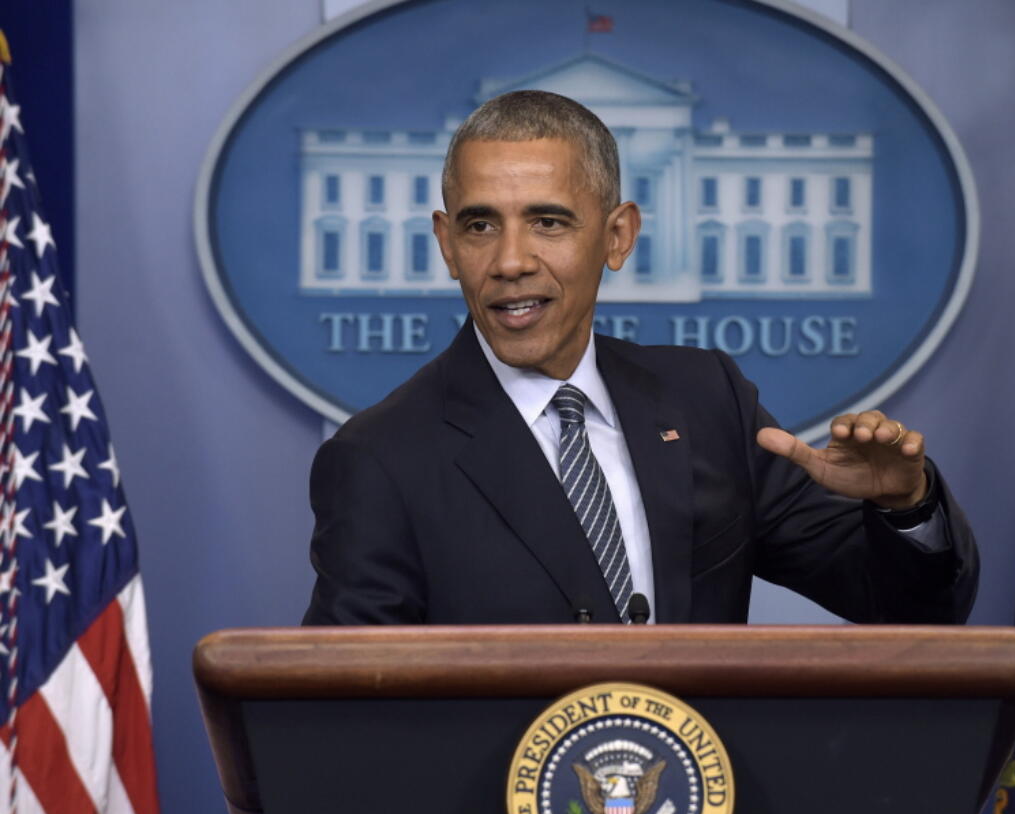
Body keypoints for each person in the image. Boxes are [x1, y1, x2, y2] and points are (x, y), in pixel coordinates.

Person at [303, 90, 977, 626]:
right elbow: (347, 713)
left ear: (617, 235)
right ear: (447, 245)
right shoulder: (381, 457)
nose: (509, 261)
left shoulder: (705, 399)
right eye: (481, 226)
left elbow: (912, 609)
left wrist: (904, 507)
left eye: (548, 222)